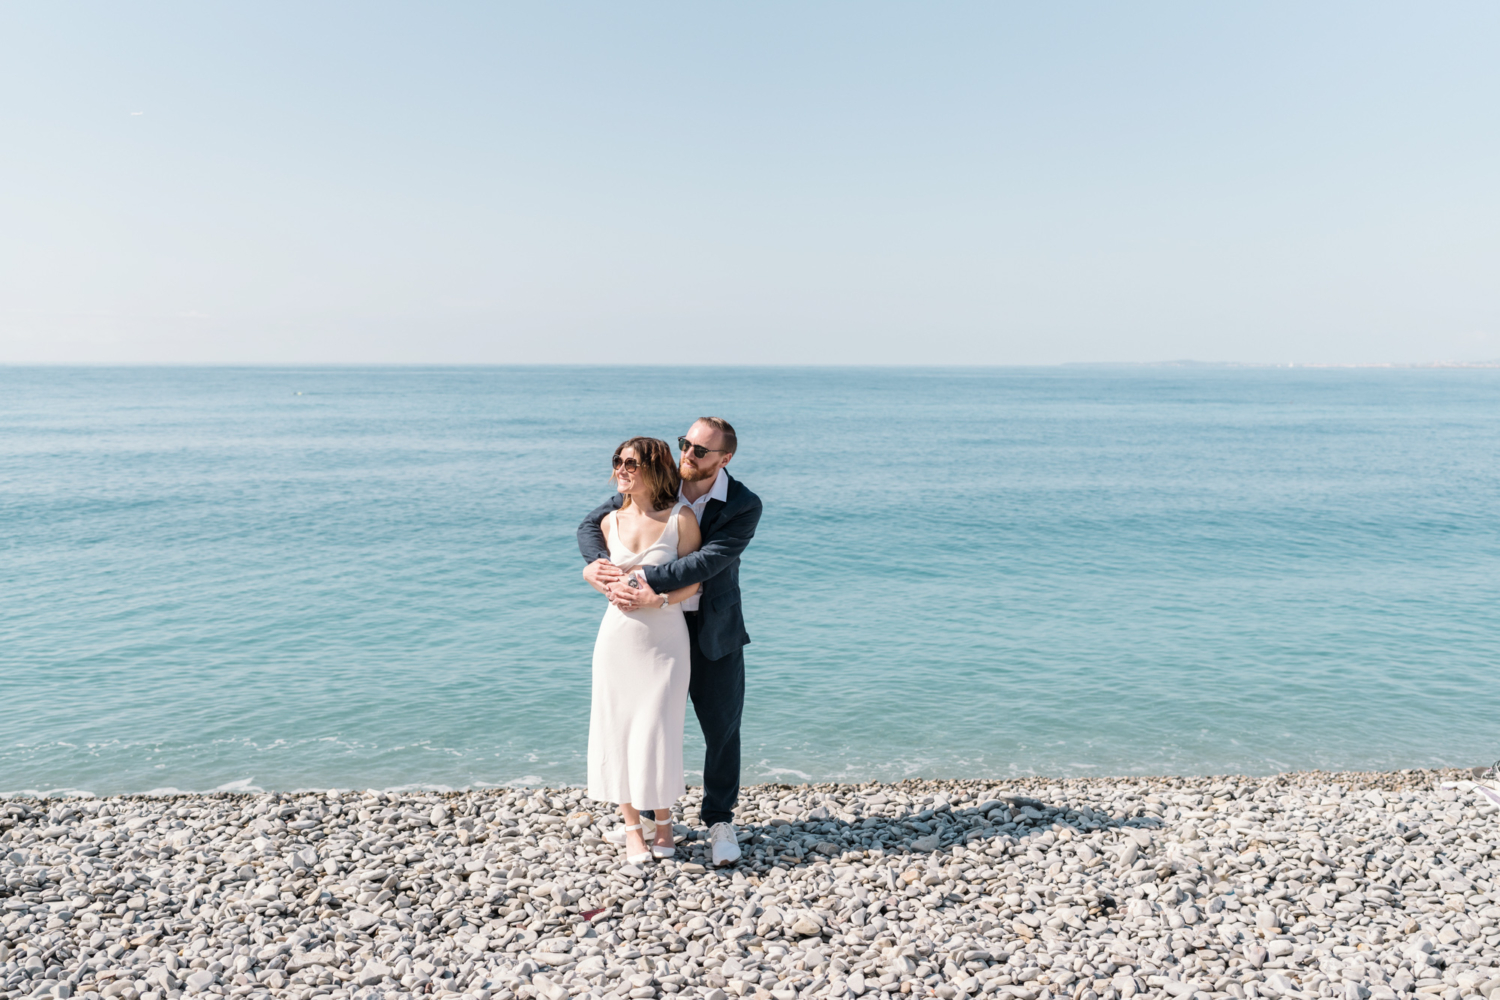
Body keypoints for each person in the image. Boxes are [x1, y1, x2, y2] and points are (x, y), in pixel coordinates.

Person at [578, 417, 762, 867]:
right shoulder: (661, 481)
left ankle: (719, 820)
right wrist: (596, 567)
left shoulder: (743, 504)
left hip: (710, 628)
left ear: (725, 458)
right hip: (649, 630)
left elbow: (706, 562)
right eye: (686, 444)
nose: (688, 455)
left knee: (721, 728)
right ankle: (646, 815)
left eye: (701, 451)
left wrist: (637, 580)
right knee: (641, 721)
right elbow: (593, 525)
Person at [584, 436, 704, 865]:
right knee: (616, 729)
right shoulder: (608, 523)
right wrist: (590, 575)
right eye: (617, 460)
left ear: (654, 468)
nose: (621, 469)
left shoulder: (681, 519)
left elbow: (696, 583)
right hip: (617, 640)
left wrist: (660, 599)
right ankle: (634, 830)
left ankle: (667, 824)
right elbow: (599, 575)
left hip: (666, 641)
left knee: (660, 730)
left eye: (630, 463)